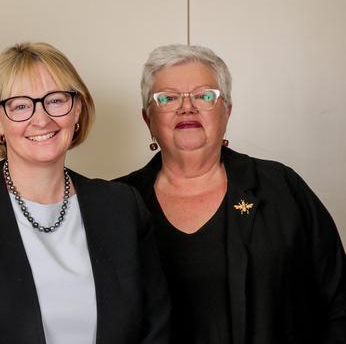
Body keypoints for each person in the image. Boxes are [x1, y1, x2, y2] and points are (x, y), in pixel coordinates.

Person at [0, 42, 169, 344]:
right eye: (21, 105)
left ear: (78, 110)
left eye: (56, 100)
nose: (42, 119)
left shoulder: (122, 205)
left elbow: (156, 329)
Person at [116, 44, 346, 343]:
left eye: (204, 95)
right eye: (168, 98)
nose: (187, 107)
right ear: (148, 119)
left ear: (226, 111)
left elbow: (339, 301)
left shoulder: (281, 188)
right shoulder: (117, 203)